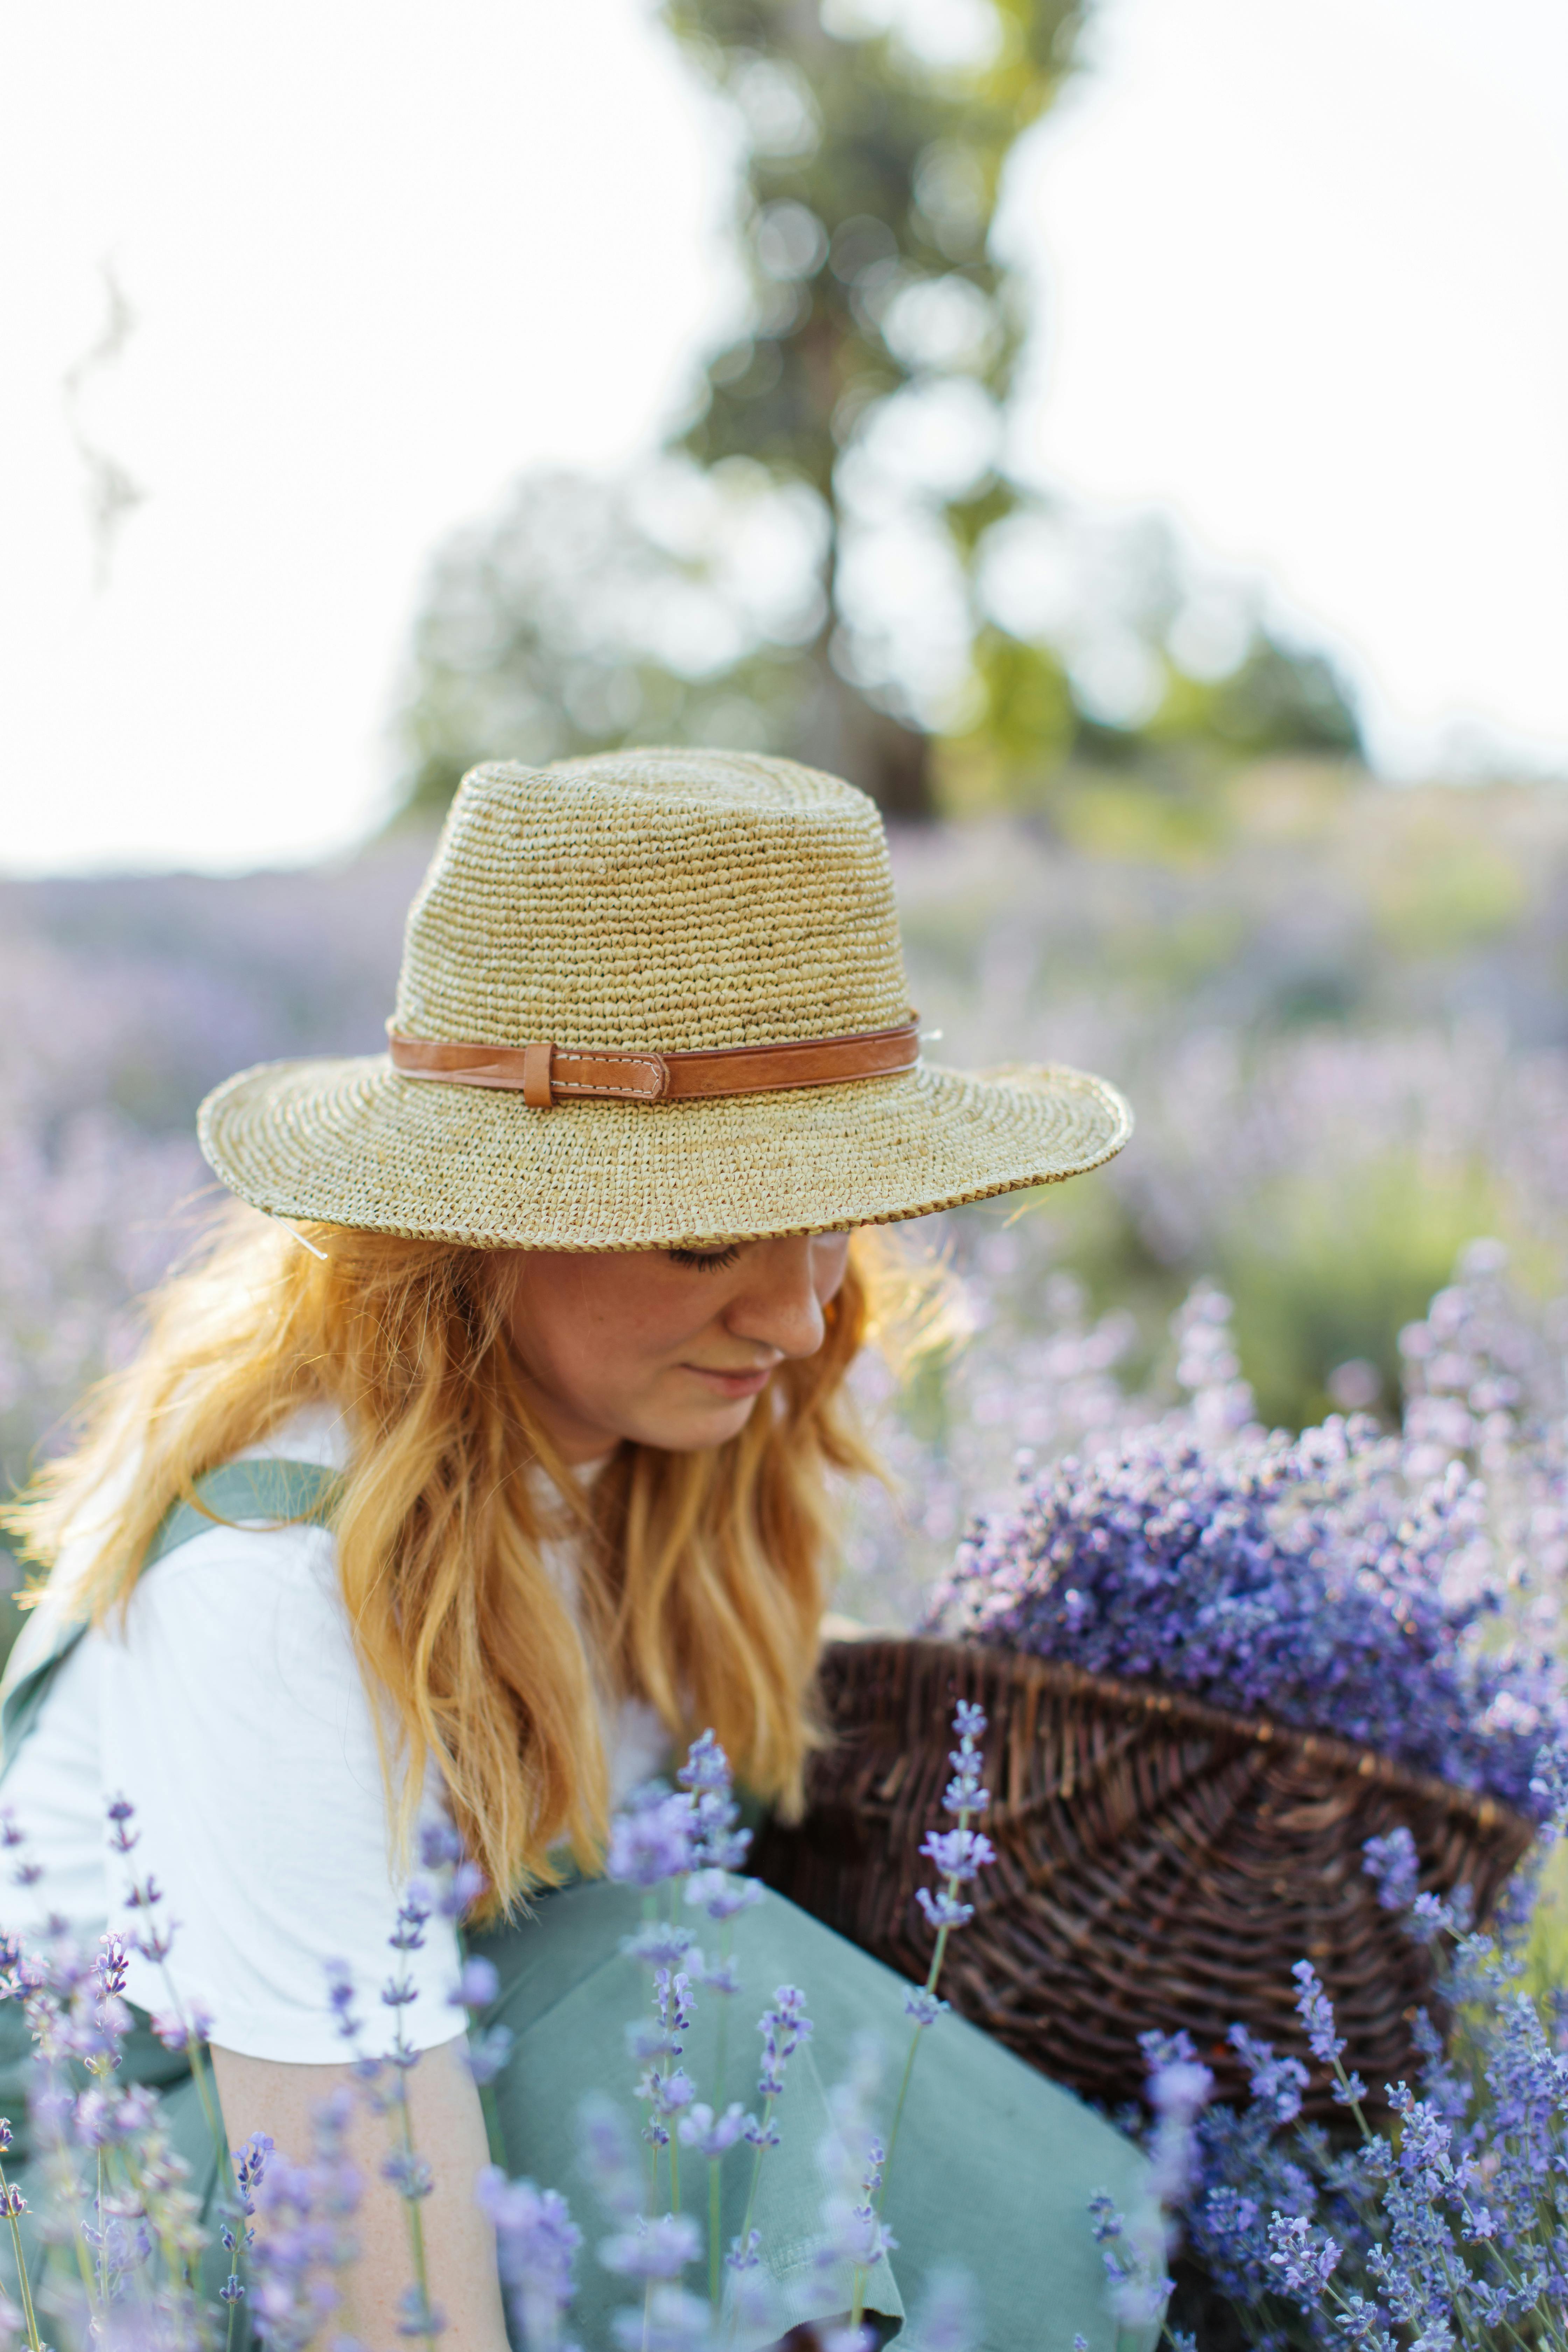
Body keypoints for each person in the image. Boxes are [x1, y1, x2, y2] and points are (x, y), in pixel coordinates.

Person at [0, 750, 1149, 2351]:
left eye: (832, 1215)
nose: (802, 1312)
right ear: (471, 1227)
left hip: (465, 2106)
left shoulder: (660, 1437)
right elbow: (368, 2282)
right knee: (687, 1995)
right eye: (700, 1236)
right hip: (140, 2202)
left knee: (1085, 2206)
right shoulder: (282, 1583)